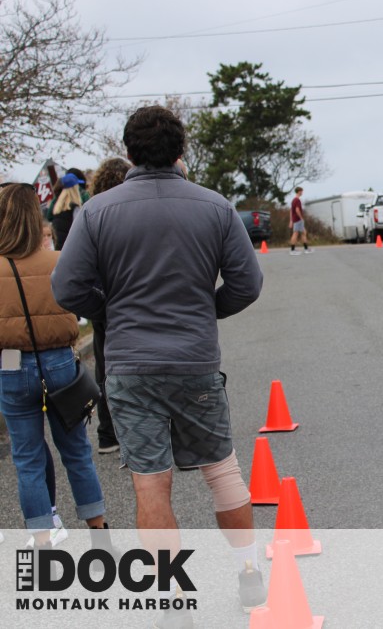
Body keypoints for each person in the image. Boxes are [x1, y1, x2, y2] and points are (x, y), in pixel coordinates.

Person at [51, 106, 266, 621]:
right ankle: (249, 575)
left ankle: (172, 600)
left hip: (130, 365)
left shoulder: (97, 213)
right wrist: (206, 310)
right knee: (222, 470)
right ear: (180, 151)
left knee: (150, 481)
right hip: (195, 359)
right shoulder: (215, 207)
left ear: (129, 152)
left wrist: (111, 311)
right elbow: (247, 283)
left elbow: (67, 287)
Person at [0, 182, 115, 554]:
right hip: (60, 360)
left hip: (11, 362)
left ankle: (43, 543)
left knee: (28, 458)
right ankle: (99, 537)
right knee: (77, 452)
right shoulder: (59, 261)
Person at [88, 156, 133, 455]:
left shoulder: (92, 214)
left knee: (105, 366)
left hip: (101, 300)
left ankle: (108, 433)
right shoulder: (131, 213)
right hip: (129, 298)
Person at [49, 173, 85, 250]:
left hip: (59, 250)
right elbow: (81, 232)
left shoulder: (57, 207)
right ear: (75, 188)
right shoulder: (75, 208)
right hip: (73, 249)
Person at [289, 186, 311, 255]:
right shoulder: (297, 200)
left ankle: (306, 249)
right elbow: (297, 210)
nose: (302, 192)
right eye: (301, 191)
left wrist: (291, 220)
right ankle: (292, 250)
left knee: (303, 232)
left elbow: (291, 211)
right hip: (298, 219)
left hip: (295, 219)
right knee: (296, 233)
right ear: (299, 192)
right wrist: (301, 218)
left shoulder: (293, 200)